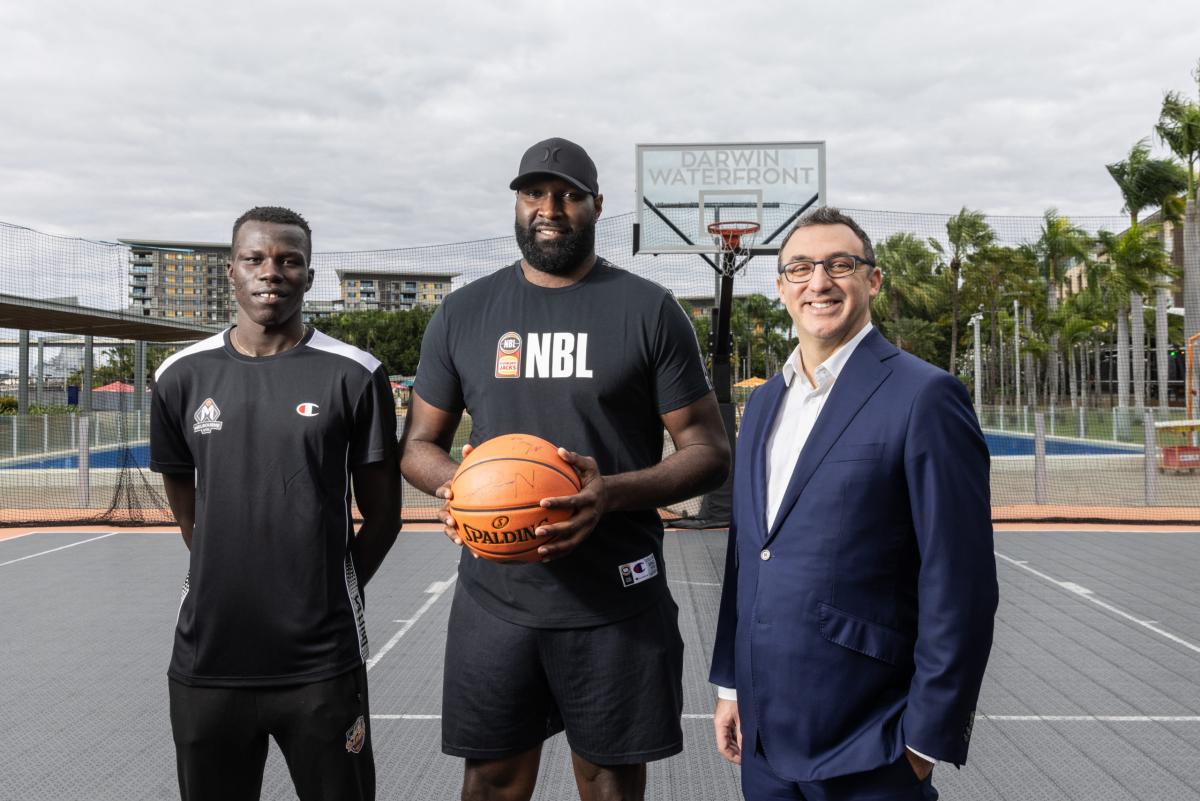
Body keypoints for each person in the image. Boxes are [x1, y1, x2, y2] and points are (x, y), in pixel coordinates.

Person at [400, 137, 730, 801]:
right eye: (533, 193)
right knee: (491, 780)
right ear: (517, 204)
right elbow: (419, 444)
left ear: (596, 205)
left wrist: (609, 492)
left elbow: (708, 449)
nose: (549, 208)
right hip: (497, 595)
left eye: (568, 194)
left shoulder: (649, 310)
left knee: (607, 782)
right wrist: (454, 486)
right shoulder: (465, 313)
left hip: (616, 593)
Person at [709, 207, 998, 801]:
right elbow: (748, 554)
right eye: (801, 268)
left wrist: (924, 740)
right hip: (764, 740)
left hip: (871, 740)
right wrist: (733, 688)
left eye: (840, 264)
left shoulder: (926, 396)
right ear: (782, 287)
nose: (820, 282)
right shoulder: (763, 403)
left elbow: (960, 582)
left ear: (873, 280)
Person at [151, 206, 401, 801]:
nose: (272, 272)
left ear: (309, 276)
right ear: (231, 271)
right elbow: (188, 510)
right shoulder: (181, 376)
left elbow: (385, 517)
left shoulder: (355, 374)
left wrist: (328, 586)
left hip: (320, 660)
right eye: (255, 259)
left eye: (290, 260)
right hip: (209, 657)